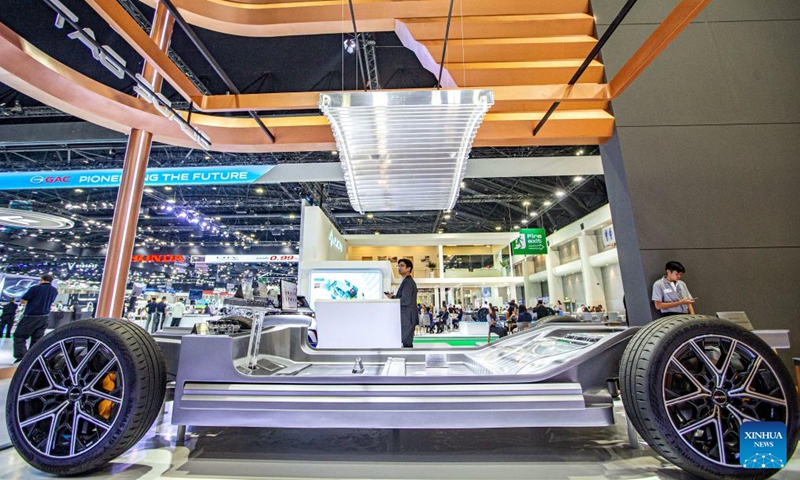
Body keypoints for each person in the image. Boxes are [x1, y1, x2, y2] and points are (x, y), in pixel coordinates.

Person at [13, 274, 59, 362]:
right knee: (37, 339)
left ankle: (21, 356)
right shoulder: (54, 291)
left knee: (20, 336)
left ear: (41, 279)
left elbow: (23, 300)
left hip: (31, 316)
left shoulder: (35, 288)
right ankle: (32, 357)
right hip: (45, 317)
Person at [385, 258, 419, 347]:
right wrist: (393, 297)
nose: (399, 268)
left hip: (408, 318)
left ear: (409, 268)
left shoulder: (408, 282)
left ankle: (409, 360)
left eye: (402, 266)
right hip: (408, 318)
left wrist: (394, 299)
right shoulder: (406, 281)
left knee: (406, 343)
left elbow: (405, 301)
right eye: (398, 266)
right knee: (406, 342)